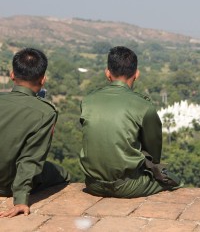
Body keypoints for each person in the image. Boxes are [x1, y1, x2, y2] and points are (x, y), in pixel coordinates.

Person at [79, 46, 181, 198]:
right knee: (175, 180)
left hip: (93, 184)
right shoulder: (144, 106)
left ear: (107, 73)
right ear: (136, 74)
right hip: (127, 186)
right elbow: (154, 153)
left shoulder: (88, 101)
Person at [0, 48, 70, 218]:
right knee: (62, 173)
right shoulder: (45, 113)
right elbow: (30, 158)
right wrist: (21, 200)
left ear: (12, 75)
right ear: (43, 79)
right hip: (6, 184)